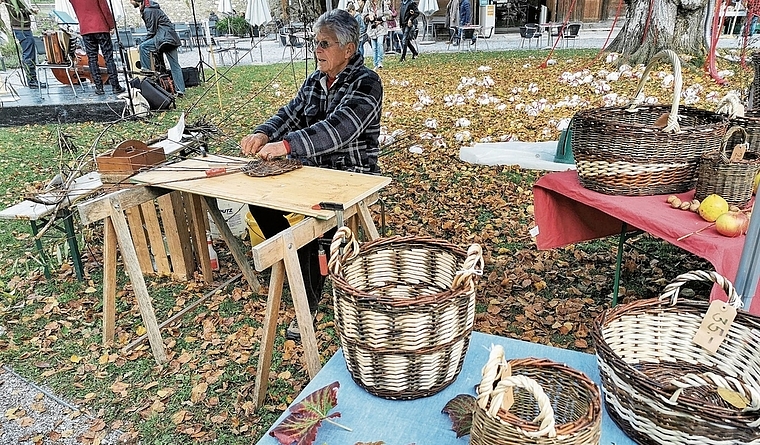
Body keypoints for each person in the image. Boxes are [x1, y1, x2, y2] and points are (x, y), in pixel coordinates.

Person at [240, 9, 382, 340]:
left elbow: (340, 129)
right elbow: (288, 114)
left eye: (325, 43)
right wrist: (264, 133)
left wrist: (286, 146)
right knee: (260, 203)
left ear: (348, 49)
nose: (316, 50)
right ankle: (299, 262)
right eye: (314, 42)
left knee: (314, 229)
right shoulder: (315, 80)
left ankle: (315, 287)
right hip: (313, 172)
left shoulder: (367, 82)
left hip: (352, 174)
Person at [129, 0, 186, 97]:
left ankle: (147, 72)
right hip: (171, 38)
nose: (130, 2)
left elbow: (151, 31)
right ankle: (181, 91)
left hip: (163, 39)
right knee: (175, 66)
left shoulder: (148, 10)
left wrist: (141, 43)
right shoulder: (151, 7)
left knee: (143, 47)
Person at [68, 0, 125, 95]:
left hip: (85, 28)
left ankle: (99, 87)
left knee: (92, 59)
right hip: (100, 26)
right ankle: (115, 86)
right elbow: (105, 9)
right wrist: (111, 26)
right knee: (108, 57)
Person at [1, 0, 44, 88]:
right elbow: (16, 11)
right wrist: (29, 11)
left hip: (24, 28)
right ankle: (32, 81)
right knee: (28, 54)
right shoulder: (13, 1)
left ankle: (32, 80)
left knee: (30, 53)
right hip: (21, 29)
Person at [362, 0, 390, 70]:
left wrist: (381, 20)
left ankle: (380, 62)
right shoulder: (368, 3)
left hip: (381, 28)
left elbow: (388, 15)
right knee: (374, 47)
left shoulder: (382, 3)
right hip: (372, 29)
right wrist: (369, 17)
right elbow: (363, 16)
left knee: (380, 44)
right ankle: (375, 63)